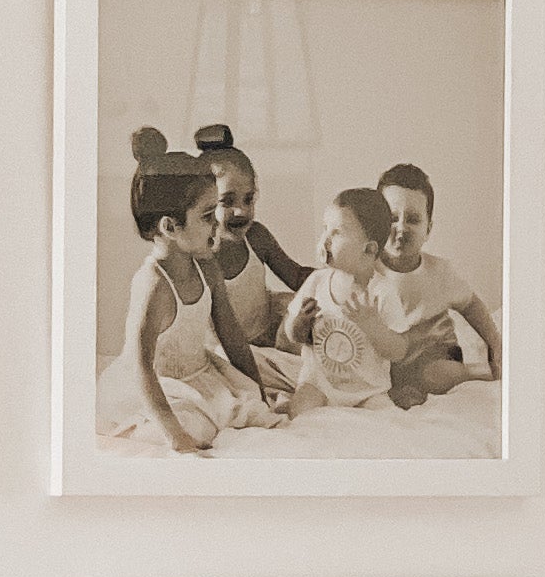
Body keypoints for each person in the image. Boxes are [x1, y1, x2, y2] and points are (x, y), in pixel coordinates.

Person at [95, 133, 287, 456]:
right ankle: (145, 427)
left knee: (251, 407)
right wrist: (175, 436)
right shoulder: (154, 286)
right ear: (170, 227)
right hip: (160, 387)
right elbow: (141, 367)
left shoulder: (206, 268)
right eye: (207, 216)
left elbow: (232, 336)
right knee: (193, 428)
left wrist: (258, 388)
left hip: (200, 374)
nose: (217, 225)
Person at [371, 161, 504, 398]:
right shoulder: (367, 271)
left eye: (412, 219)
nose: (401, 228)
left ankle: (477, 372)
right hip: (389, 356)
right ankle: (403, 391)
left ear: (428, 229)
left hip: (434, 352)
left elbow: (471, 305)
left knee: (436, 375)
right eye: (392, 217)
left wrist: (495, 343)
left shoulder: (439, 272)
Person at [276, 190, 406, 410]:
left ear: (369, 249)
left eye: (336, 233)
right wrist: (299, 323)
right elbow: (292, 335)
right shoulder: (317, 282)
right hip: (319, 385)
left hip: (367, 392)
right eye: (325, 229)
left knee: (387, 421)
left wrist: (374, 327)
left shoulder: (382, 292)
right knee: (301, 413)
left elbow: (400, 351)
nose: (324, 240)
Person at [191, 122, 309, 353]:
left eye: (248, 199)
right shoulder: (199, 257)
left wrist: (331, 279)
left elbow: (295, 275)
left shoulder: (257, 237)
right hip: (230, 349)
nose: (241, 211)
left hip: (271, 328)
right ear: (203, 204)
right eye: (227, 201)